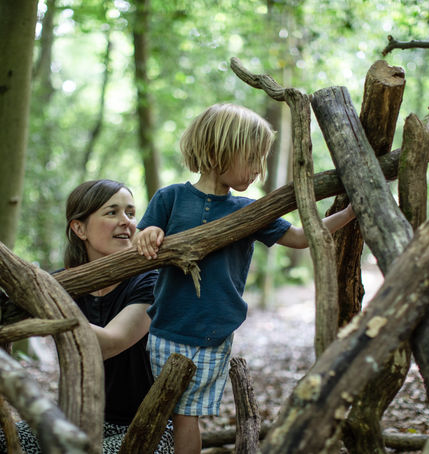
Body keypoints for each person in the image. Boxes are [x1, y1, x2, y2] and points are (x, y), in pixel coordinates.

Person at [134, 103, 356, 454]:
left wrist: (348, 213)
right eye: (252, 158)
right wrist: (148, 235)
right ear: (217, 150)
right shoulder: (170, 198)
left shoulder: (249, 211)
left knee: (188, 414)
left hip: (214, 332)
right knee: (165, 412)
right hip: (166, 328)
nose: (258, 170)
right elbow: (142, 237)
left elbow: (300, 238)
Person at [0, 179, 173, 454]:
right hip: (73, 420)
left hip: (146, 428)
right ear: (79, 228)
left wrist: (47, 309)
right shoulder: (61, 283)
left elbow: (110, 343)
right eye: (112, 212)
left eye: (130, 212)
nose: (126, 221)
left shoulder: (150, 280)